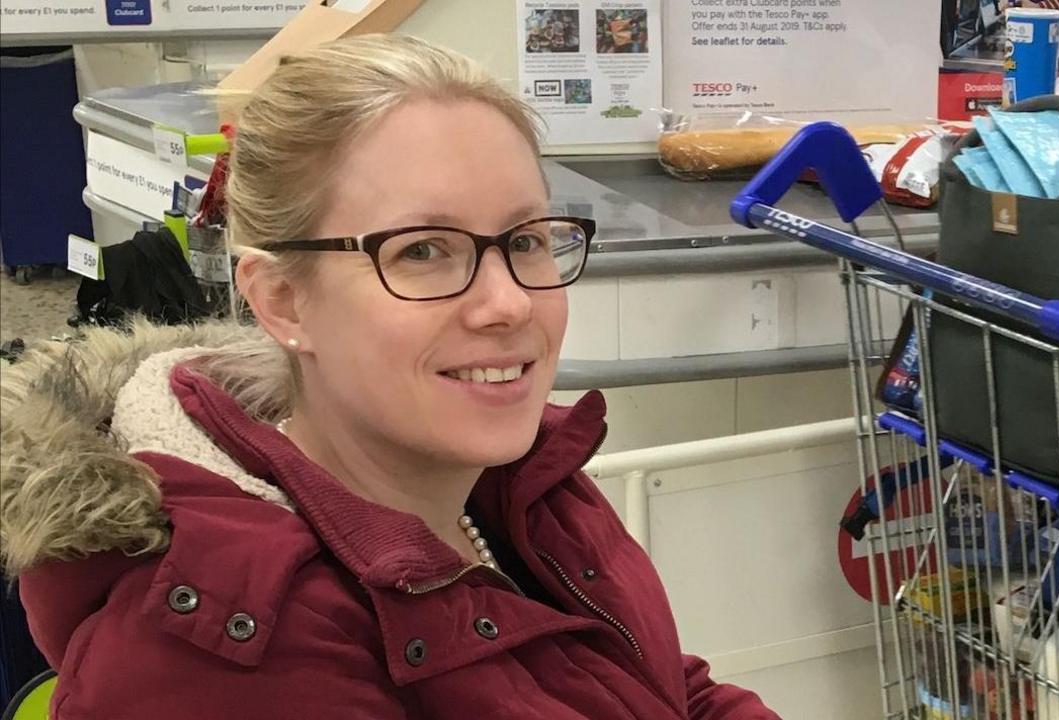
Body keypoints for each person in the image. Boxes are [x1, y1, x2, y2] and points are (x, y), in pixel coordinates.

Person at [0, 35, 780, 719]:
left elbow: (652, 687)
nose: (509, 303)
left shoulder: (530, 481)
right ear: (283, 300)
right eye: (422, 251)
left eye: (527, 240)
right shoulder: (227, 658)